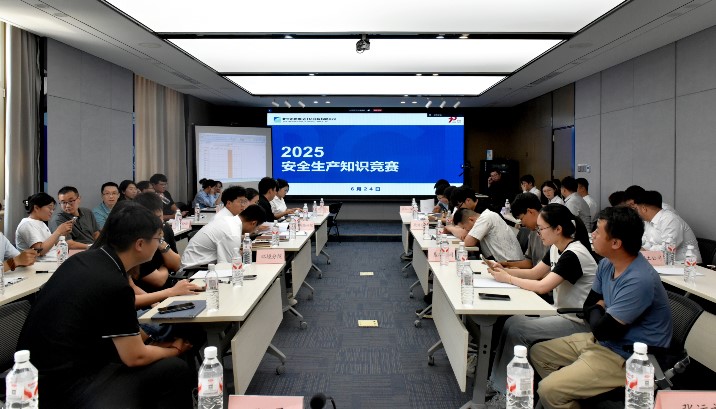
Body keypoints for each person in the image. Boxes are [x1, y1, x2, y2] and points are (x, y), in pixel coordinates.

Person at [17, 203, 194, 408]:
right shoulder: (114, 283)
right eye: (158, 239)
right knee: (175, 369)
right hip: (67, 386)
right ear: (139, 244)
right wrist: (175, 350)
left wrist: (154, 345)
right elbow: (135, 357)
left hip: (36, 377)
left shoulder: (85, 260)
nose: (159, 245)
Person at [531, 206, 672, 408]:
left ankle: (561, 393)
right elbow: (589, 305)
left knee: (548, 390)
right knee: (539, 353)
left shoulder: (638, 279)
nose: (592, 235)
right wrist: (598, 307)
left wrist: (598, 307)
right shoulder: (607, 264)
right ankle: (574, 394)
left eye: (598, 231)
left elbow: (604, 330)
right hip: (604, 342)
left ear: (615, 243)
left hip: (628, 355)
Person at [485, 204, 598, 400]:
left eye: (541, 228)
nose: (538, 234)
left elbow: (542, 286)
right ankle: (497, 383)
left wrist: (508, 278)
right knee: (512, 321)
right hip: (562, 313)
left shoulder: (574, 254)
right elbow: (534, 273)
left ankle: (508, 392)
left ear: (558, 229)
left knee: (518, 329)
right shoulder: (556, 247)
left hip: (578, 320)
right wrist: (503, 271)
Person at [181, 187, 266, 267]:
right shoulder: (231, 230)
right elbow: (228, 266)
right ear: (253, 223)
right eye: (241, 202)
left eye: (244, 202)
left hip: (202, 263)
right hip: (194, 269)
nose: (243, 206)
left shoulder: (230, 221)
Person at [132, 193, 183, 292]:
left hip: (170, 288)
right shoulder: (136, 238)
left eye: (159, 217)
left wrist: (161, 243)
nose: (157, 223)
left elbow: (176, 265)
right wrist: (165, 267)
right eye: (151, 218)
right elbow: (158, 280)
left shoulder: (165, 228)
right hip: (147, 293)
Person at [636, 190, 701, 263]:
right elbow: (648, 243)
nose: (637, 213)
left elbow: (668, 249)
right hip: (664, 262)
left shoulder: (670, 219)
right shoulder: (648, 221)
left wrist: (646, 251)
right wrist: (640, 249)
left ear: (644, 209)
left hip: (687, 263)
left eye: (637, 209)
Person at [453, 206, 525, 262]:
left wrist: (449, 228)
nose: (465, 230)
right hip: (501, 261)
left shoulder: (485, 218)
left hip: (509, 263)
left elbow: (468, 243)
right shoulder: (487, 216)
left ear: (471, 219)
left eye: (464, 227)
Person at [16, 193, 73, 261]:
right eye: (49, 208)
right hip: (41, 265)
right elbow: (40, 251)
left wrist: (62, 234)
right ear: (36, 208)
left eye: (53, 209)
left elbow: (51, 246)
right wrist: (58, 231)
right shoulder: (27, 224)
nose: (51, 212)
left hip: (53, 261)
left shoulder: (40, 223)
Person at [502, 193, 548, 269]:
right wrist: (506, 265)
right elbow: (530, 262)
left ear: (530, 212)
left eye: (521, 219)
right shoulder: (533, 231)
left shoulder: (552, 232)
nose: (522, 224)